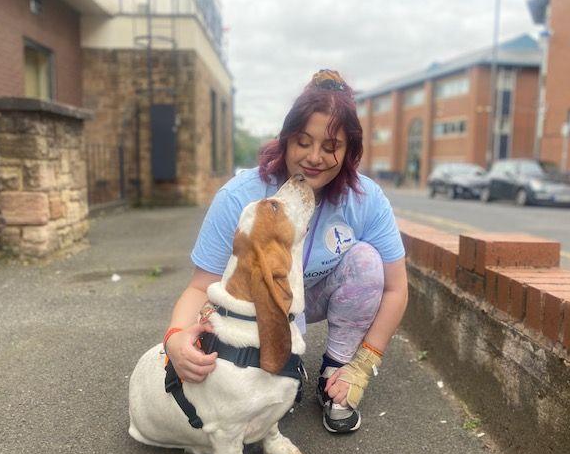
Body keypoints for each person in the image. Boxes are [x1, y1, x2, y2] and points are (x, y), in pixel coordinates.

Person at [164, 69, 408, 433]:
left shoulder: (366, 199)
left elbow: (395, 288)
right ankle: (281, 364)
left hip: (318, 296)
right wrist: (175, 338)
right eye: (303, 142)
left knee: (367, 263)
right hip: (260, 299)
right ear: (286, 140)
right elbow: (203, 285)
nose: (314, 157)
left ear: (349, 151)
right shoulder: (239, 196)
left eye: (331, 146)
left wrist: (363, 364)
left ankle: (335, 373)